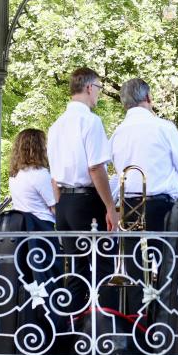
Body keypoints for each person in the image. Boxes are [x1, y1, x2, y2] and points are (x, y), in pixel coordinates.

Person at [110, 78, 178, 231]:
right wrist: (165, 180)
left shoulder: (117, 133)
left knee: (131, 247)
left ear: (124, 103)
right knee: (162, 246)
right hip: (160, 207)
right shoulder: (165, 128)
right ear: (148, 97)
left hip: (128, 207)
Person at [48, 67, 117, 233]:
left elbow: (54, 177)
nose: (99, 94)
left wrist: (60, 204)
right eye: (99, 88)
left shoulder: (56, 125)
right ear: (89, 88)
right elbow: (95, 167)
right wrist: (110, 206)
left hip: (63, 203)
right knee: (99, 250)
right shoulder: (91, 121)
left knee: (71, 251)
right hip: (87, 202)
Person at [9, 128, 56, 228]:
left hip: (20, 225)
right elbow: (54, 207)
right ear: (39, 148)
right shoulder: (40, 174)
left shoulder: (15, 174)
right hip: (41, 225)